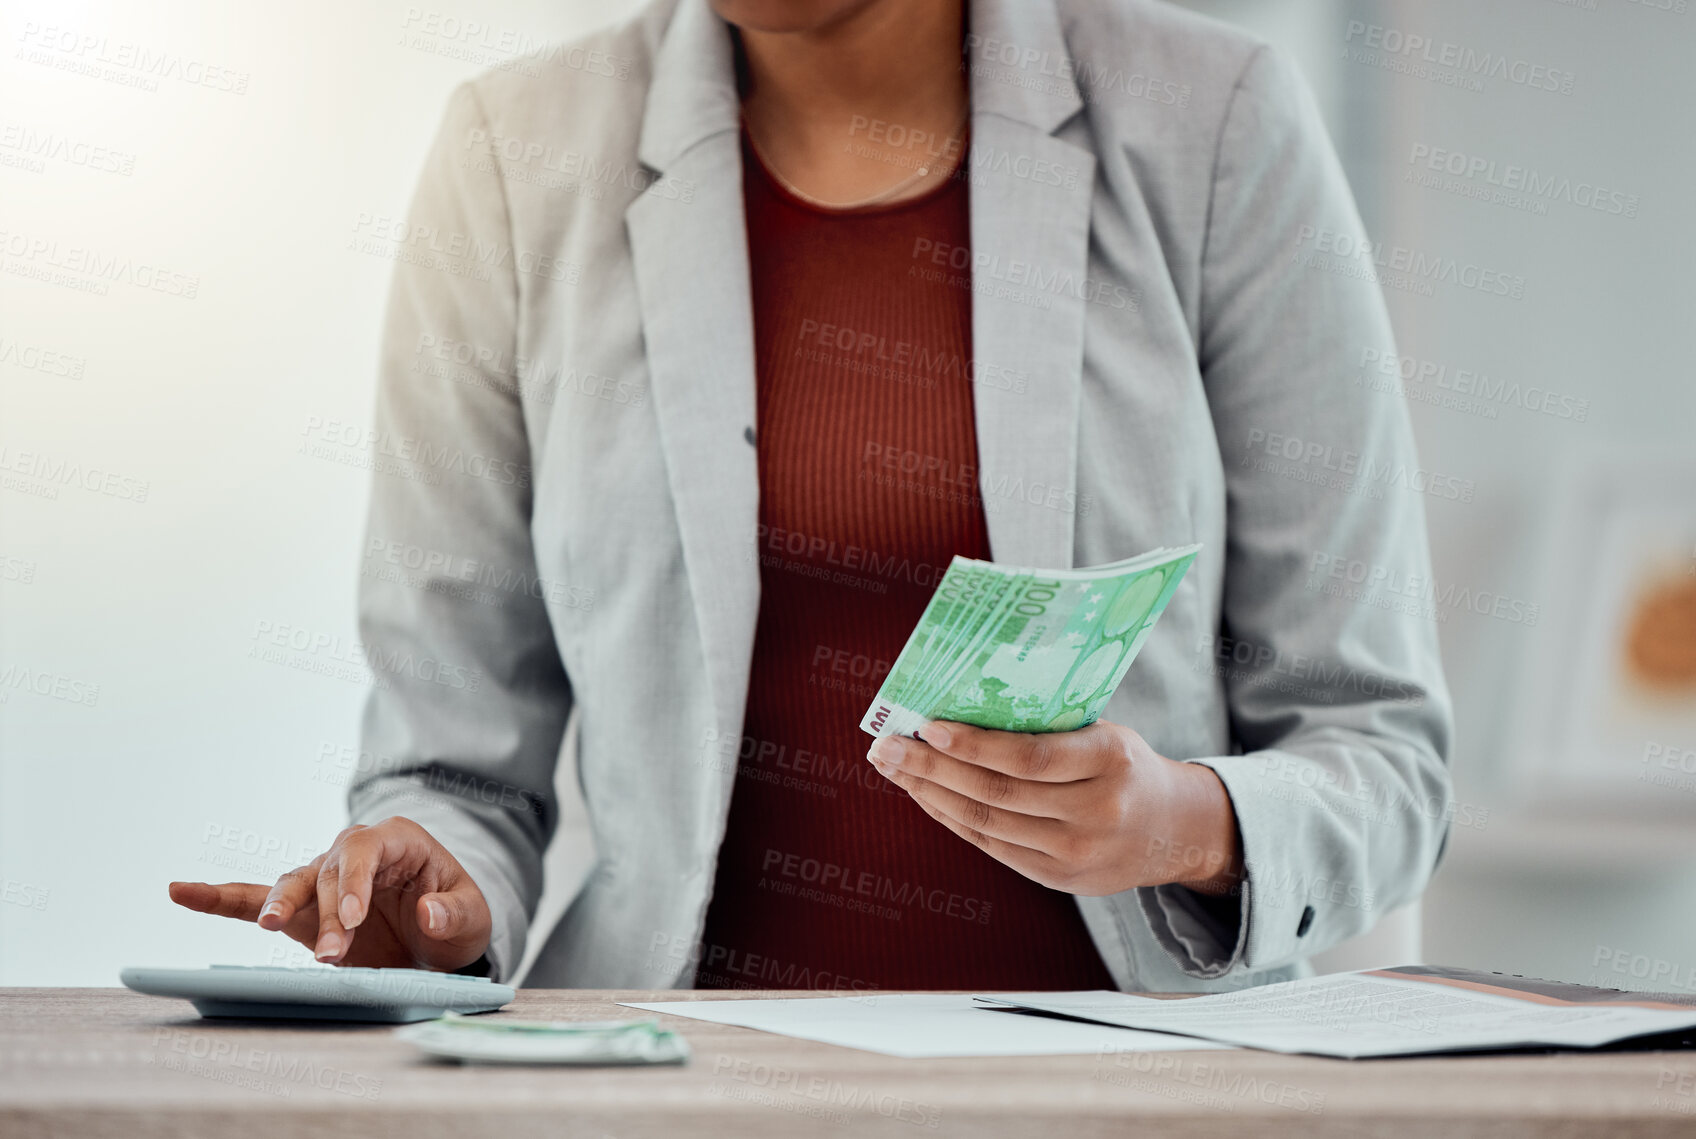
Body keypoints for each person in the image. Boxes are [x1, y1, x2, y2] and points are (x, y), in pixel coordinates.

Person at [169, 0, 1453, 993]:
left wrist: (1186, 825)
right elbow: (453, 769)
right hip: (673, 1079)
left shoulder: (1215, 121)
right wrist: (433, 890)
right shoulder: (516, 158)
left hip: (1127, 1087)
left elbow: (1381, 753)